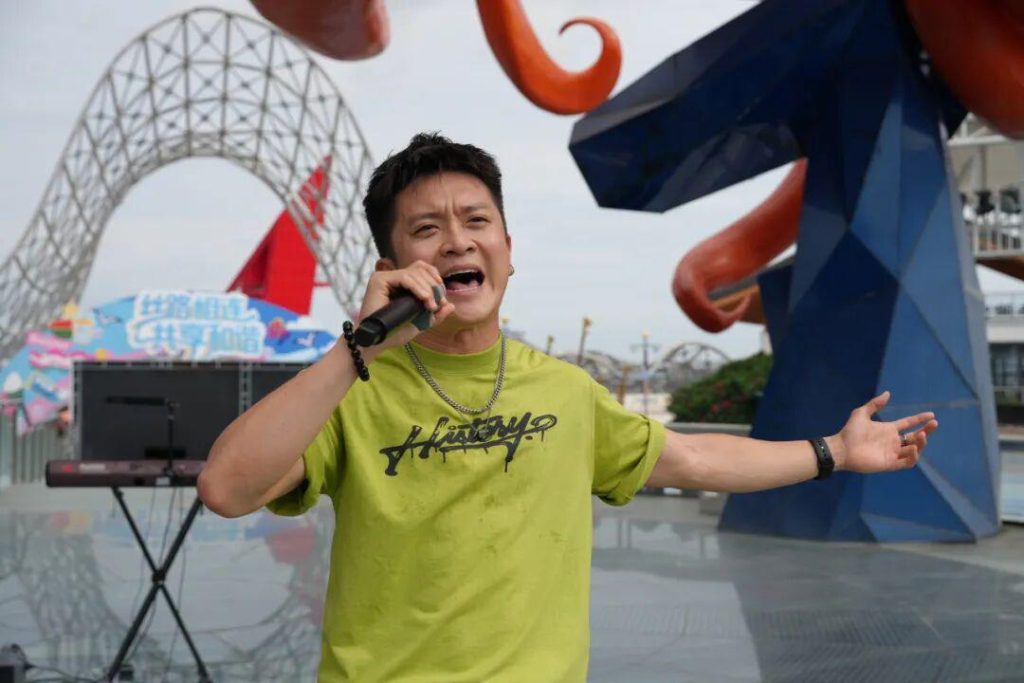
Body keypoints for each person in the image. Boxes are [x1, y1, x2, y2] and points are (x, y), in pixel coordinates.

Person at [198, 133, 938, 682]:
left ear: (507, 248)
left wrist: (836, 451)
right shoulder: (351, 387)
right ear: (393, 269)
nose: (457, 240)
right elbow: (226, 488)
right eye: (427, 229)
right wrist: (357, 348)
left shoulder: (563, 390)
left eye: (476, 220)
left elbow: (691, 456)